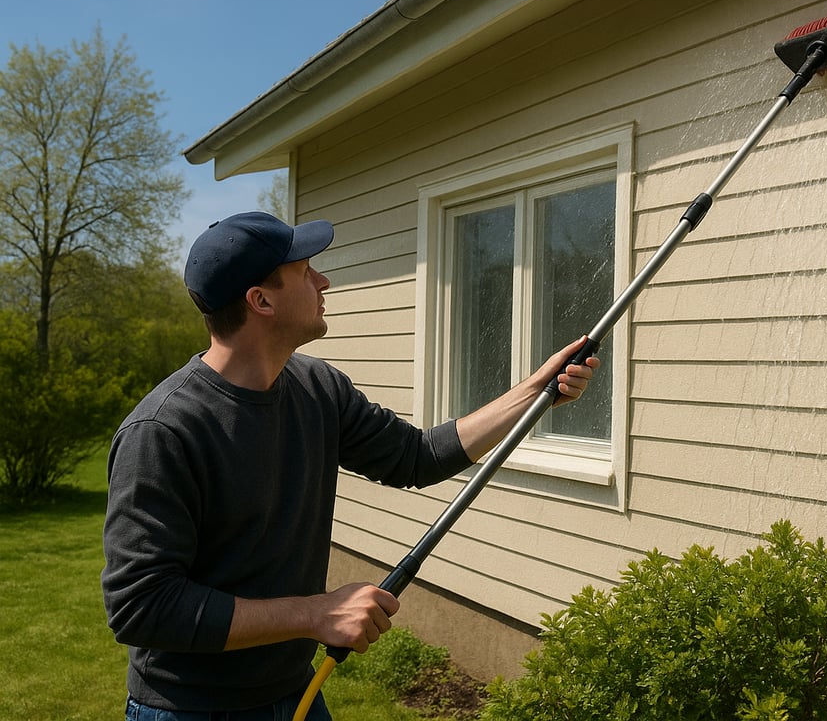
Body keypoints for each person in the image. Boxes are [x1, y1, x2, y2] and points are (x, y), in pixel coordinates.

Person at [101, 211, 600, 720]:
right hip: (192, 709)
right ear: (262, 300)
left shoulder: (319, 389)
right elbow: (142, 606)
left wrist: (535, 392)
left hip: (295, 693)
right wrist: (315, 613)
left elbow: (416, 456)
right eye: (305, 271)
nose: (323, 280)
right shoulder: (163, 432)